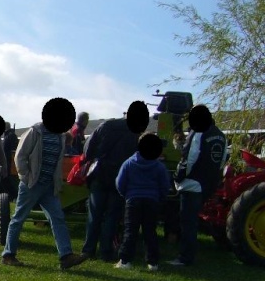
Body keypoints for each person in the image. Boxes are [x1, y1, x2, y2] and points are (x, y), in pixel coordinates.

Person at [1, 97, 88, 270]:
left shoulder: (61, 137)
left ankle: (66, 257)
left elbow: (57, 161)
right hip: (31, 185)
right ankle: (8, 254)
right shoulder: (35, 131)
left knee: (58, 218)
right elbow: (20, 156)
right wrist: (26, 177)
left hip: (49, 187)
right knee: (19, 218)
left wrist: (56, 182)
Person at [80, 101, 150, 261]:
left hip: (100, 173)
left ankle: (88, 250)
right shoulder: (135, 133)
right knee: (112, 216)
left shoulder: (106, 125)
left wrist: (93, 159)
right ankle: (106, 252)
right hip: (120, 178)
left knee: (94, 214)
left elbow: (88, 149)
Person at [168, 104, 227, 266]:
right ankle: (188, 254)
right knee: (192, 221)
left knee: (188, 223)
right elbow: (222, 161)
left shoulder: (198, 132)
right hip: (208, 184)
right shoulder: (221, 136)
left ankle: (185, 257)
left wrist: (177, 177)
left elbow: (189, 158)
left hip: (192, 184)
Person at [114, 133, 172, 271]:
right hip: (152, 200)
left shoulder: (129, 162)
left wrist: (126, 195)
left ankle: (125, 261)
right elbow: (165, 185)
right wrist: (160, 197)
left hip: (133, 200)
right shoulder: (159, 166)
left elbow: (119, 182)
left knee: (130, 231)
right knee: (150, 232)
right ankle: (153, 262)